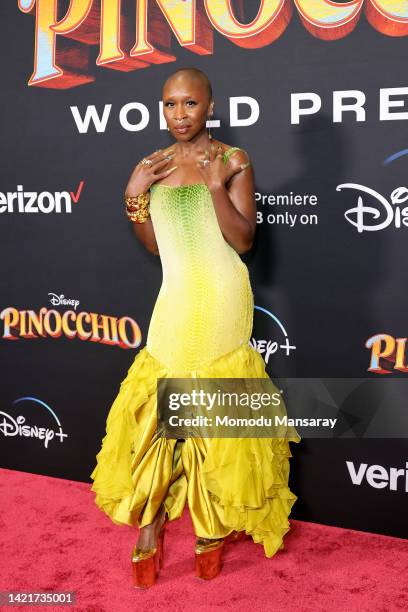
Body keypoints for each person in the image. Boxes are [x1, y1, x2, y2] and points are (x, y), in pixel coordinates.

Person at [90, 67, 300, 588]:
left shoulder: (232, 160)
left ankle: (206, 528)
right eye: (169, 105)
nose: (178, 115)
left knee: (207, 411)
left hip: (224, 294)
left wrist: (213, 186)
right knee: (160, 411)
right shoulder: (151, 165)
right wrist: (133, 196)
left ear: (210, 105)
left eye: (188, 104)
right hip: (175, 297)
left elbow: (245, 241)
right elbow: (156, 247)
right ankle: (152, 524)